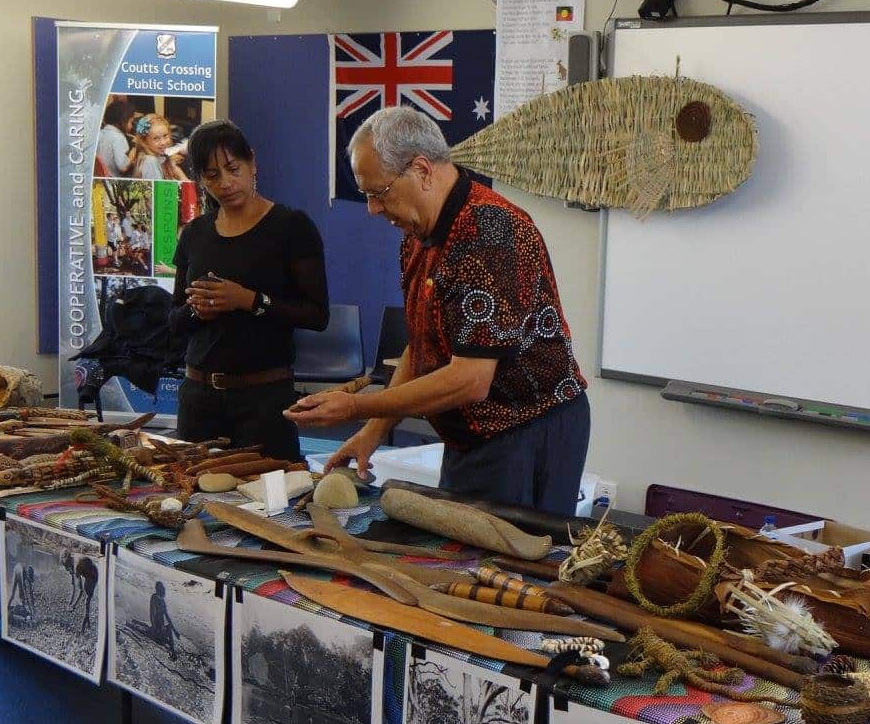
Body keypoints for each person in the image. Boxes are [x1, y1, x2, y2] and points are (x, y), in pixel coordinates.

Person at [285, 106, 590, 515]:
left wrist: (357, 406)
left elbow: (470, 380)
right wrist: (373, 431)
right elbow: (423, 345)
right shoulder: (417, 235)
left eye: (379, 192)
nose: (372, 209)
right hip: (471, 433)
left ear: (422, 170)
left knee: (508, 550)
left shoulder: (490, 232)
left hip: (525, 429)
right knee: (455, 544)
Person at [169, 119, 329, 461]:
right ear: (201, 179)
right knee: (193, 489)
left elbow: (317, 315)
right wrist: (198, 311)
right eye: (212, 175)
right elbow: (175, 320)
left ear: (252, 162)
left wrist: (250, 301)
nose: (226, 183)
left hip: (264, 398)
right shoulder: (195, 234)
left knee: (271, 490)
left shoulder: (290, 227)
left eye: (233, 169)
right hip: (199, 397)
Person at [132, 114, 189, 181]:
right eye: (156, 138)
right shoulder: (150, 161)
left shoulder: (161, 158)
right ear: (144, 141)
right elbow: (159, 188)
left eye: (165, 135)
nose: (163, 142)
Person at [97, 98, 137, 177]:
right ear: (123, 121)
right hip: (113, 177)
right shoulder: (118, 138)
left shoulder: (100, 133)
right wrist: (133, 151)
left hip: (102, 175)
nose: (132, 126)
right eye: (131, 122)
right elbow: (123, 167)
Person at [148, 580, 181, 661]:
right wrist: (154, 628)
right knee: (167, 631)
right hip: (156, 629)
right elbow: (152, 614)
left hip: (160, 628)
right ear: (159, 590)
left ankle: (172, 650)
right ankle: (173, 653)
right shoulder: (154, 598)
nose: (164, 592)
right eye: (162, 589)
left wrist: (175, 631)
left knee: (168, 630)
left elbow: (167, 617)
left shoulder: (162, 601)